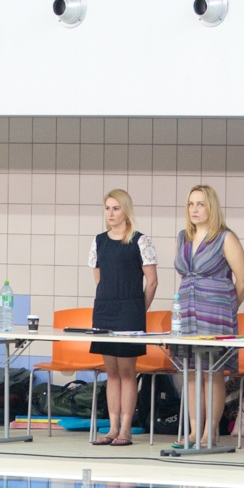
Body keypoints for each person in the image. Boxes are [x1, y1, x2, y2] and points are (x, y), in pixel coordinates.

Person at [173, 185, 244, 449]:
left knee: (213, 373)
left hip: (216, 314)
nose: (195, 209)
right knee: (192, 372)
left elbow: (243, 278)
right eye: (191, 204)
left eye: (201, 204)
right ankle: (195, 430)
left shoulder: (225, 238)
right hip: (188, 312)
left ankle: (211, 431)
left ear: (211, 207)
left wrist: (228, 308)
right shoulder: (183, 236)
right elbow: (184, 275)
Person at [88, 189, 159, 447]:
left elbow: (152, 282)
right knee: (112, 372)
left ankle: (126, 428)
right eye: (107, 208)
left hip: (130, 310)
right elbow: (99, 280)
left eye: (116, 208)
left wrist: (140, 310)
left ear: (126, 210)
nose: (110, 213)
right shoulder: (98, 241)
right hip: (105, 309)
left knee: (128, 372)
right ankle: (112, 426)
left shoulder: (139, 241)